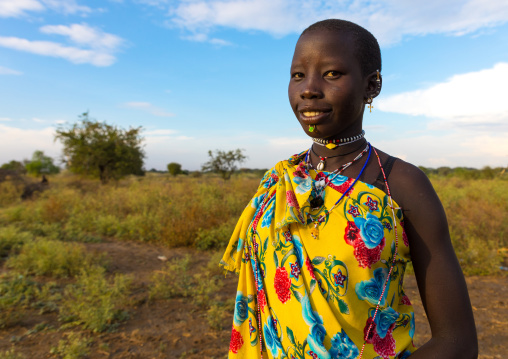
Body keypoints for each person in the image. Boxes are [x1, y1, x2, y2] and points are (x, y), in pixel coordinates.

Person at [220, 19, 478, 359]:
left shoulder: (400, 183)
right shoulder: (278, 180)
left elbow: (457, 343)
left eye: (331, 74)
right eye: (298, 74)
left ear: (372, 85)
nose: (308, 88)